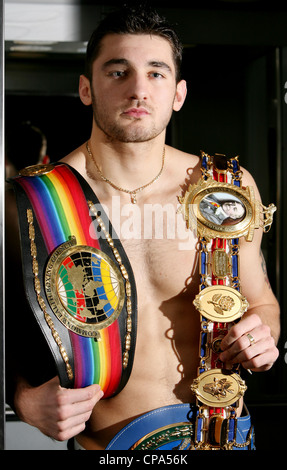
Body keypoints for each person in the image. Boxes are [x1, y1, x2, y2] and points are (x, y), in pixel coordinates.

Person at [5, 6, 280, 451]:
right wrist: (21, 398)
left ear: (178, 93)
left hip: (227, 439)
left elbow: (264, 303)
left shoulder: (225, 186)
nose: (138, 90)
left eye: (156, 73)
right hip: (111, 449)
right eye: (118, 72)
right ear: (86, 88)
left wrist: (263, 337)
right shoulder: (31, 203)